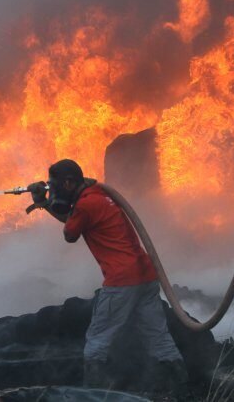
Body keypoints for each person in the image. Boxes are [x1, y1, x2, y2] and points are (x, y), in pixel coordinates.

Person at [28, 159, 187, 392]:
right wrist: (46, 202)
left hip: (122, 281)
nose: (56, 190)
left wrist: (45, 202)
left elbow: (70, 233)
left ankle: (93, 393)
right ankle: (182, 390)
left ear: (71, 183)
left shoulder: (85, 205)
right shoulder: (98, 195)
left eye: (57, 186)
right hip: (145, 276)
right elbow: (76, 221)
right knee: (159, 337)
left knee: (97, 342)